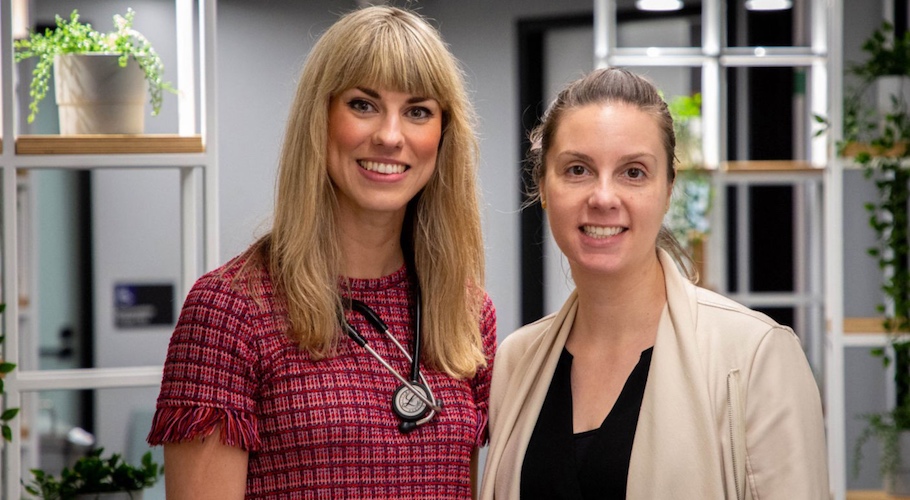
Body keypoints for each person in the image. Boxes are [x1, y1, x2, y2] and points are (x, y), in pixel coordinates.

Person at [147, 6, 496, 499]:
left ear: (443, 136)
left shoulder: (466, 313)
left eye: (418, 111)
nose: (391, 136)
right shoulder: (229, 310)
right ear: (320, 118)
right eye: (363, 105)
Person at [480, 67, 828, 499]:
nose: (604, 197)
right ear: (544, 187)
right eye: (577, 169)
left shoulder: (754, 357)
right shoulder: (517, 362)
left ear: (667, 191)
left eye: (634, 172)